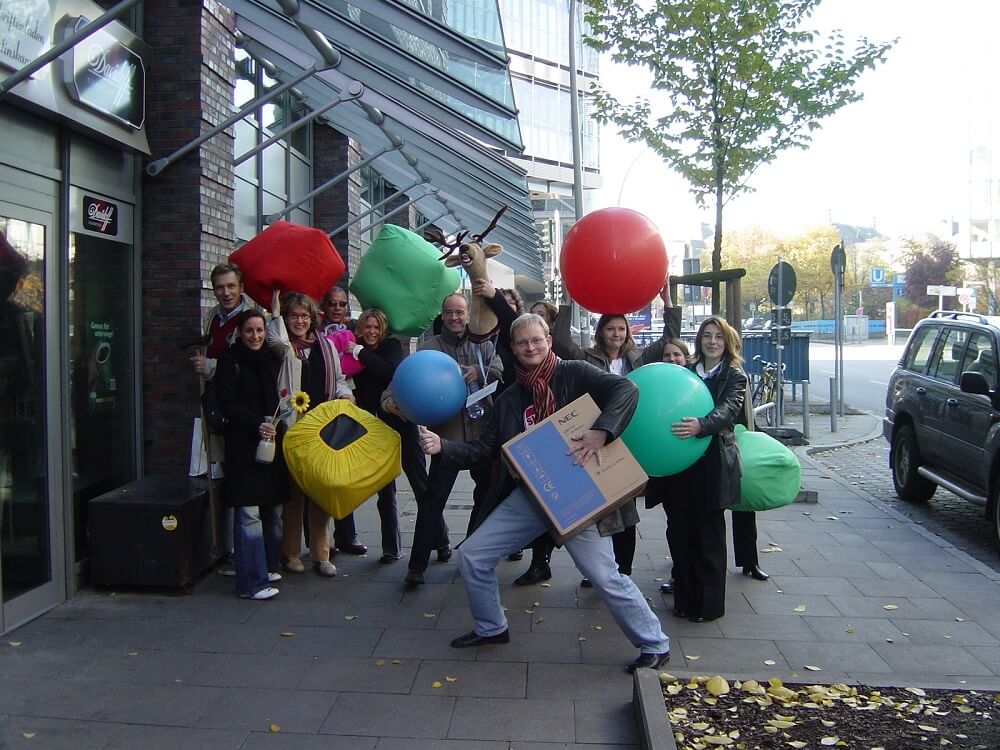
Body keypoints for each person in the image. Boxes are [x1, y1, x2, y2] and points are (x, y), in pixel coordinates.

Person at [417, 313, 670, 673]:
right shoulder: (508, 399)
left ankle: (654, 643)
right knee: (473, 554)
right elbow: (485, 448)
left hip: (577, 494)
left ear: (549, 340)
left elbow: (626, 390)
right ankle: (491, 627)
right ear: (514, 349)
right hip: (532, 495)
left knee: (604, 575)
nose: (530, 347)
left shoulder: (574, 373)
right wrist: (442, 447)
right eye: (522, 343)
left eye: (536, 340)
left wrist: (602, 431)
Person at [547, 280, 680, 586]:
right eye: (610, 329)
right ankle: (599, 571)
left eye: (621, 329)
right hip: (596, 436)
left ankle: (624, 570)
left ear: (627, 333)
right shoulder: (586, 359)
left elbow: (671, 339)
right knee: (598, 508)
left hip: (629, 438)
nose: (616, 334)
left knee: (626, 508)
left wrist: (668, 299)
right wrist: (568, 298)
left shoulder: (640, 359)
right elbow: (560, 341)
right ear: (601, 332)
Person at [383, 292, 503, 587]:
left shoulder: (484, 346)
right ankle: (417, 567)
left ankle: (470, 556)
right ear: (442, 315)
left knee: (484, 498)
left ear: (468, 314)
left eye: (460, 312)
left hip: (480, 438)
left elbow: (502, 373)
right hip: (444, 439)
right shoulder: (428, 349)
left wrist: (479, 371)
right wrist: (392, 405)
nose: (454, 318)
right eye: (449, 312)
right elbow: (392, 390)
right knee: (432, 501)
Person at [660, 316, 748, 623]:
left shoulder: (734, 375)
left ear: (727, 342)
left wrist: (702, 425)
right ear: (699, 340)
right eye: (707, 335)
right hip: (680, 464)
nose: (712, 341)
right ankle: (685, 600)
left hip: (712, 464)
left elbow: (729, 411)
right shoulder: (685, 372)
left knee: (708, 537)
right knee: (680, 534)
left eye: (718, 337)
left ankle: (709, 606)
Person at [271, 291, 355, 577]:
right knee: (293, 496)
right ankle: (290, 553)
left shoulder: (326, 346)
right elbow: (277, 340)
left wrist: (346, 396)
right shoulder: (282, 348)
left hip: (322, 428)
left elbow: (341, 380)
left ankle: (321, 554)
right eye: (294, 315)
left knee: (320, 493)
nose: (300, 321)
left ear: (314, 318)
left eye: (305, 316)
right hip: (291, 428)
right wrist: (274, 311)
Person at [214, 309, 287, 600]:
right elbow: (227, 403)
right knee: (248, 514)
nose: (255, 336)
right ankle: (250, 582)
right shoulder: (229, 361)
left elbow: (282, 346)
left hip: (268, 444)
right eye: (249, 331)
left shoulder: (271, 359)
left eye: (259, 330)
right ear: (239, 333)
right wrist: (256, 423)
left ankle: (267, 567)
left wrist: (277, 314)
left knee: (271, 510)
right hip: (243, 446)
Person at [189, 262, 255, 576]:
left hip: (243, 409)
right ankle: (225, 547)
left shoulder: (253, 319)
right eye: (219, 288)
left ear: (241, 287)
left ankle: (248, 550)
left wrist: (211, 366)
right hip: (218, 407)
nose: (226, 293)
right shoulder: (211, 318)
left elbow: (245, 361)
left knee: (244, 477)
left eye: (231, 286)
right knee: (222, 474)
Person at [350, 307, 429, 563]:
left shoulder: (392, 347)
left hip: (401, 423)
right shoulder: (354, 351)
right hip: (373, 428)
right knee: (384, 490)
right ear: (360, 328)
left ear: (383, 329)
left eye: (376, 327)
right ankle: (390, 547)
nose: (371, 332)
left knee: (420, 485)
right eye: (366, 327)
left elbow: (387, 371)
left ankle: (439, 539)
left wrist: (359, 352)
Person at [317, 285, 367, 556]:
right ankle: (323, 541)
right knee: (322, 475)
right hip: (320, 406)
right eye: (333, 303)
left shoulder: (354, 331)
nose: (338, 308)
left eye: (342, 303)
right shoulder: (315, 334)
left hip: (346, 403)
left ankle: (346, 535)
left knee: (343, 472)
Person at [643, 338, 693, 596]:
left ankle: (690, 575)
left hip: (694, 467)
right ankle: (678, 574)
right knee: (675, 524)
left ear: (687, 358)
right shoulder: (658, 385)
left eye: (678, 355)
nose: (672, 359)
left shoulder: (695, 387)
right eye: (667, 355)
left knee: (693, 527)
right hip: (667, 467)